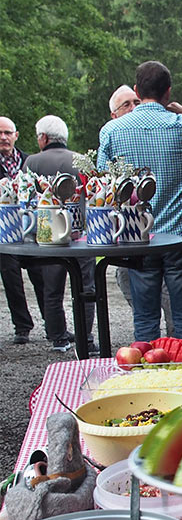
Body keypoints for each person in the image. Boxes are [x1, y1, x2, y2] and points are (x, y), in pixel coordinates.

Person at [97, 60, 182, 342]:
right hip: (180, 237)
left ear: (137, 90)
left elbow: (102, 181)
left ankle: (148, 366)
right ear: (168, 91)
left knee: (144, 319)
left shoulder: (111, 131)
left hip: (137, 236)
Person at [21, 115, 97, 353]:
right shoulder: (82, 160)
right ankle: (87, 339)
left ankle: (58, 338)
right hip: (81, 234)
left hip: (49, 235)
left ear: (43, 138)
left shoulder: (32, 162)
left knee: (52, 289)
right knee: (87, 288)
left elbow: (25, 198)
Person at [106, 85, 174, 337]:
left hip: (166, 235)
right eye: (126, 105)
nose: (134, 108)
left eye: (136, 102)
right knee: (143, 312)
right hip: (129, 239)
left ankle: (175, 349)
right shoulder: (112, 137)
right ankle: (149, 351)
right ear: (114, 115)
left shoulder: (160, 133)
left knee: (173, 309)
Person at [0, 115, 52, 345]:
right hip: (3, 233)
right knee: (12, 280)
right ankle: (22, 327)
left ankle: (53, 326)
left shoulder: (28, 161)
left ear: (16, 136)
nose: (4, 137)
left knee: (42, 277)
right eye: (0, 133)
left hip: (31, 229)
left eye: (7, 133)